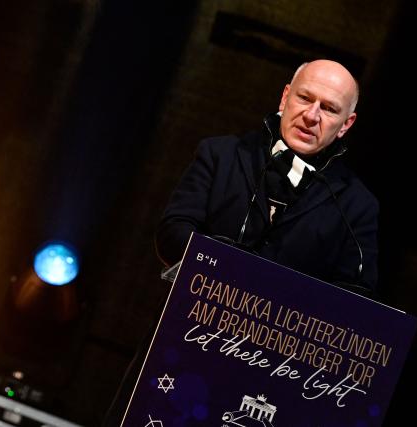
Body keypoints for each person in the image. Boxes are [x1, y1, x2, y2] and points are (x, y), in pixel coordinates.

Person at [156, 59, 378, 292]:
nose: (312, 116)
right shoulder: (220, 155)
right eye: (304, 98)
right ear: (285, 97)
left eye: (329, 109)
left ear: (346, 124)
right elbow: (172, 234)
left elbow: (357, 292)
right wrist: (232, 268)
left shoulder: (358, 206)